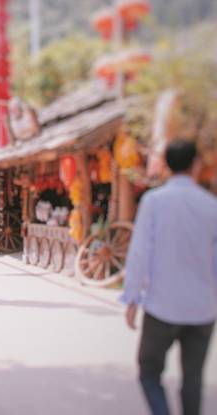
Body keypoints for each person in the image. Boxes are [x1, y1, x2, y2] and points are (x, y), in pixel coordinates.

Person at [121, 139, 217, 415]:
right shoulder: (211, 206)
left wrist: (131, 298)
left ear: (164, 165)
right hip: (202, 309)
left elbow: (140, 252)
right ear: (196, 165)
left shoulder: (154, 202)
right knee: (193, 378)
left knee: (149, 372)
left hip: (161, 306)